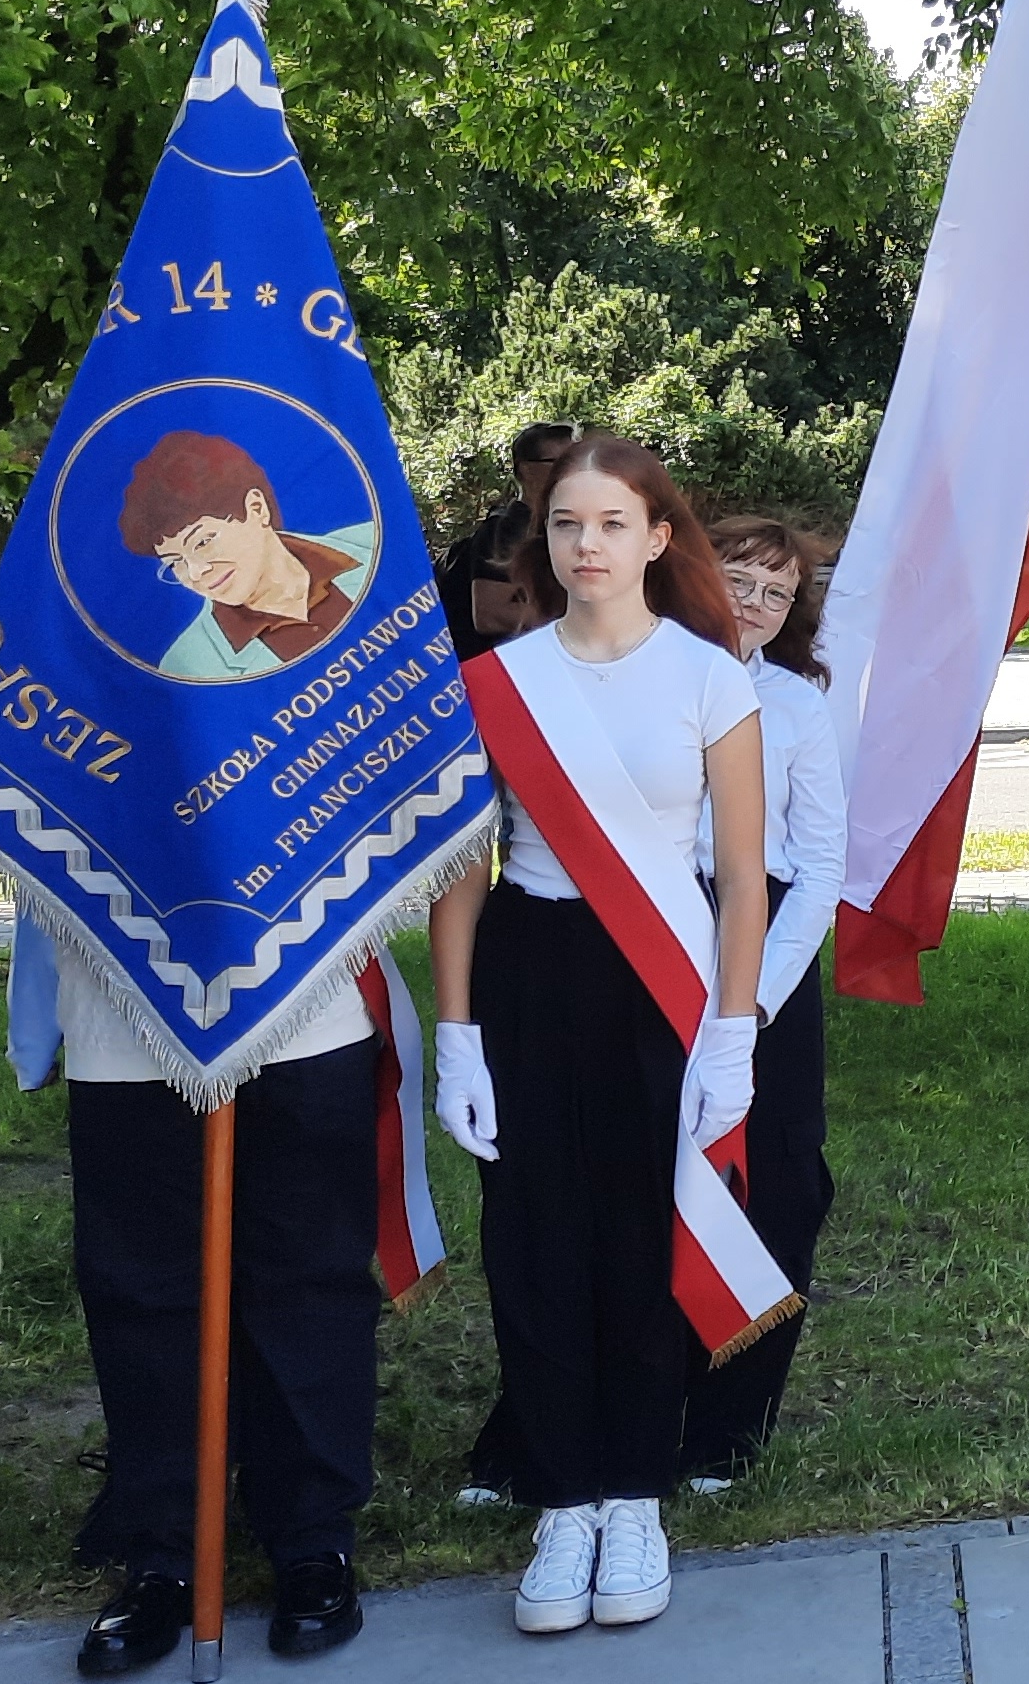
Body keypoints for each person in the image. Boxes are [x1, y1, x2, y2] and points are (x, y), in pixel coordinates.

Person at [427, 436, 771, 1629]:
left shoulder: (709, 679)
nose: (587, 546)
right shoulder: (499, 684)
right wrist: (455, 1031)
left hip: (659, 982)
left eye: (613, 525)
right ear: (545, 540)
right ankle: (562, 1495)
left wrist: (733, 1028)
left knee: (638, 1233)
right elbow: (463, 869)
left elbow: (740, 877)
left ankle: (635, 1493)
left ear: (657, 539)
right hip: (531, 966)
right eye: (567, 525)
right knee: (532, 1238)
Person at [58, 829, 385, 1670]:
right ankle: (164, 1549)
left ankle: (313, 1536)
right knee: (142, 1280)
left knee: (307, 1265)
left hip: (304, 969)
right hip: (119, 974)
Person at [679, 516, 844, 1490]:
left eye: (777, 593)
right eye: (740, 578)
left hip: (770, 948)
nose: (755, 603)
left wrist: (757, 1003)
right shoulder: (638, 676)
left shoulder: (793, 703)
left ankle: (730, 1425)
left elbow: (823, 863)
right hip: (653, 928)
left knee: (774, 1186)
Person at [118, 429, 379, 680]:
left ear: (256, 508)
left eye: (202, 542)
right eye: (175, 562)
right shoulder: (190, 668)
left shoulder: (376, 543)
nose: (196, 572)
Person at [441, 421, 580, 660]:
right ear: (526, 469)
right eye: (561, 462)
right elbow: (489, 614)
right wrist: (579, 621)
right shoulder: (506, 529)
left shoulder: (562, 526)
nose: (575, 470)